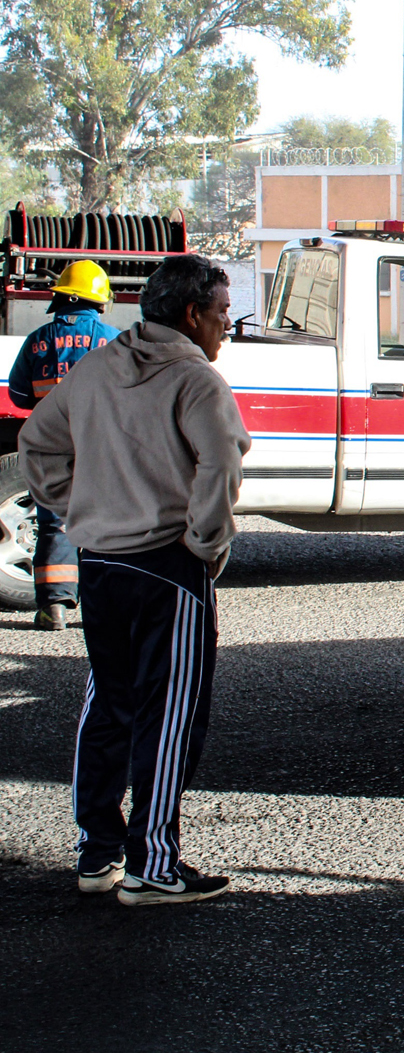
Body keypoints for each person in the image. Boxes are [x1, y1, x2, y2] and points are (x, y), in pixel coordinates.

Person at [20, 253, 250, 905]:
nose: (225, 328)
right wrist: (204, 544)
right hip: (168, 568)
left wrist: (77, 505)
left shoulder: (98, 368)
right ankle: (154, 865)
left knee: (110, 703)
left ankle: (98, 854)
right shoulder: (196, 381)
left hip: (100, 564)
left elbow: (38, 441)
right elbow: (220, 465)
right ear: (190, 314)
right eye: (221, 314)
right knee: (169, 715)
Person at [7, 259, 121, 630]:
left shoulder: (38, 339)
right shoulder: (114, 340)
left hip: (52, 445)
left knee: (54, 521)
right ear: (98, 299)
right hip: (98, 445)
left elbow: (21, 395)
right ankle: (103, 609)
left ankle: (53, 607)